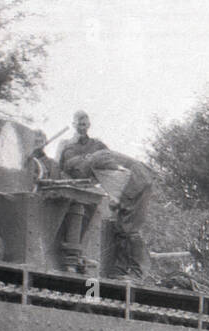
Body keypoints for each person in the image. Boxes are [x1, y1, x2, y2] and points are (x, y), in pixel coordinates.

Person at [64, 148, 156, 280]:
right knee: (120, 227)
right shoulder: (94, 163)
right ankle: (121, 269)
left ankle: (138, 272)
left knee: (130, 229)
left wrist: (123, 199)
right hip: (135, 184)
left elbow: (122, 173)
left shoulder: (96, 159)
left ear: (77, 168)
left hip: (139, 182)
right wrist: (119, 200)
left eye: (77, 175)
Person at [58, 111, 106, 176]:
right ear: (73, 125)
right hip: (70, 184)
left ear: (89, 125)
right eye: (79, 125)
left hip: (93, 184)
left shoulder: (98, 145)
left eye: (84, 124)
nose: (82, 128)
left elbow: (108, 162)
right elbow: (58, 169)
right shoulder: (64, 145)